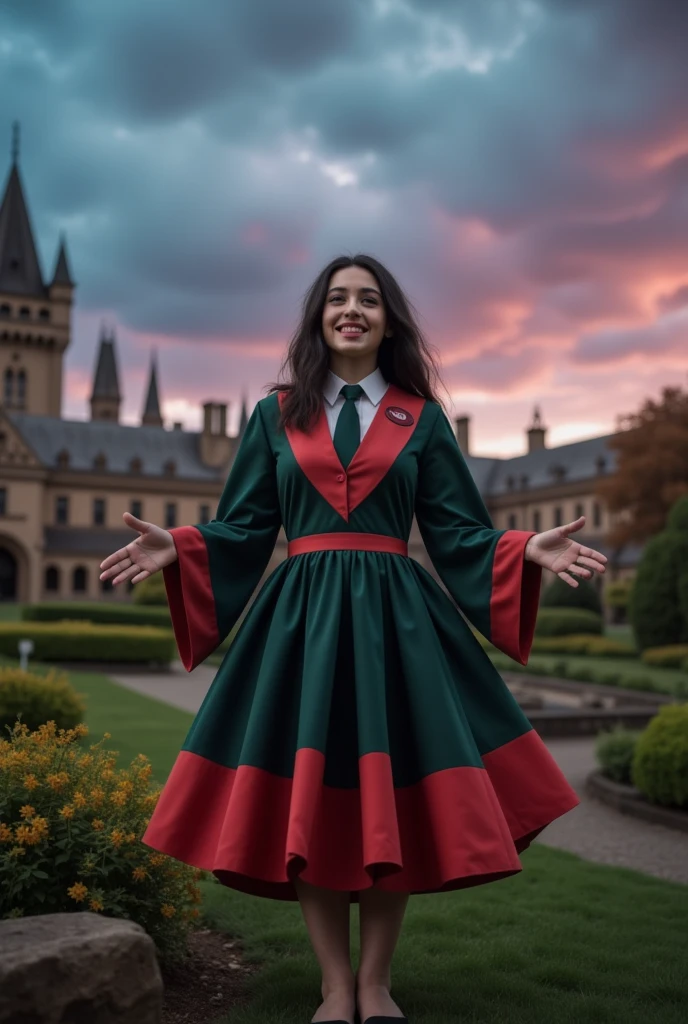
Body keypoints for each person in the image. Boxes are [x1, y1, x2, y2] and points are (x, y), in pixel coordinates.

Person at [100, 254, 607, 1024]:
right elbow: (244, 525)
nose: (353, 310)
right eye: (338, 298)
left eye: (369, 299)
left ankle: (376, 983)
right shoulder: (275, 414)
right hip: (299, 623)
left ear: (388, 319)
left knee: (391, 800)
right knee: (312, 802)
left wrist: (521, 550)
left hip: (397, 627)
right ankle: (334, 985)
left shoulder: (421, 417)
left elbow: (459, 531)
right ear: (318, 318)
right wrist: (183, 545)